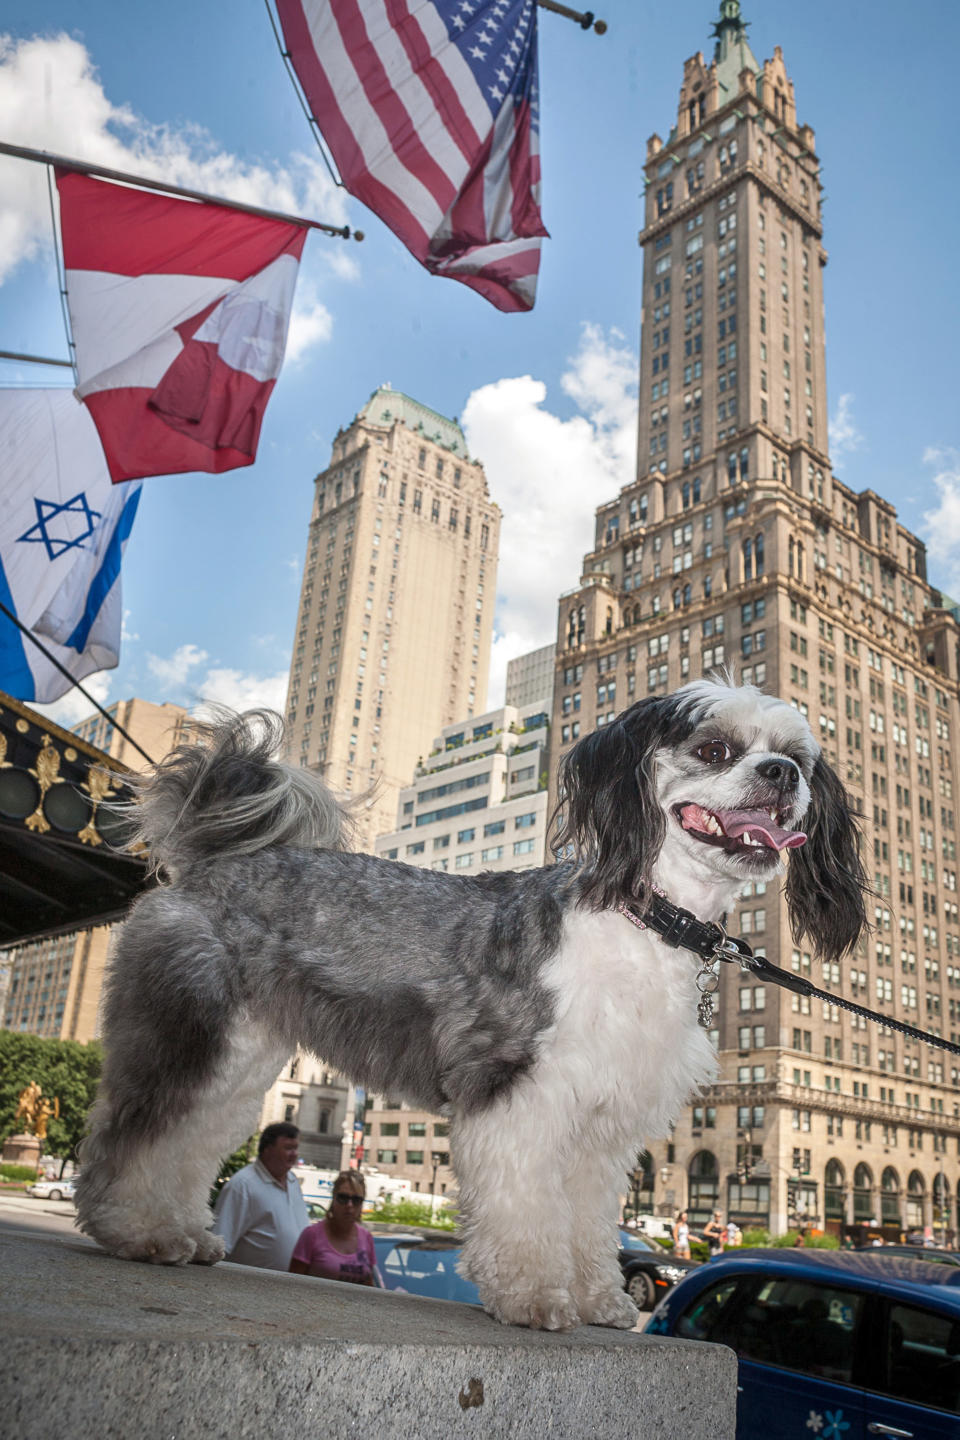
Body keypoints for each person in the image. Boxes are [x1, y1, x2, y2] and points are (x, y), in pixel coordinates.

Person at [211, 1122, 310, 1271]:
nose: (294, 1154)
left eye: (295, 1148)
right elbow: (219, 1245)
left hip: (291, 1286)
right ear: (268, 1149)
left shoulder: (293, 1181)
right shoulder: (242, 1185)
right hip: (249, 1287)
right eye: (288, 1148)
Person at [290, 1170, 377, 1286]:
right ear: (333, 1198)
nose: (349, 1205)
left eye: (356, 1200)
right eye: (343, 1198)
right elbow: (292, 1285)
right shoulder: (311, 1235)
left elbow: (370, 1286)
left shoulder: (367, 1238)